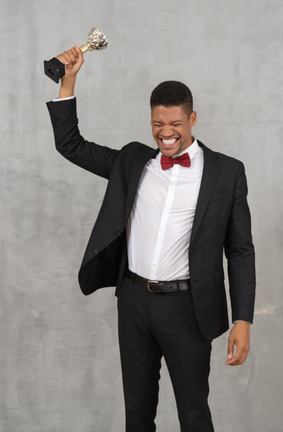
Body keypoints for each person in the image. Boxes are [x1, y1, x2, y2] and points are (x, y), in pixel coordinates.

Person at [47, 45, 256, 432]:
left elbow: (240, 251)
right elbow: (70, 145)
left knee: (194, 415)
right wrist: (69, 80)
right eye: (158, 124)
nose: (166, 133)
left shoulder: (227, 173)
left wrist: (243, 319)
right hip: (134, 302)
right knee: (137, 416)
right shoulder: (132, 161)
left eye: (175, 123)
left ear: (192, 118)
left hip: (189, 309)